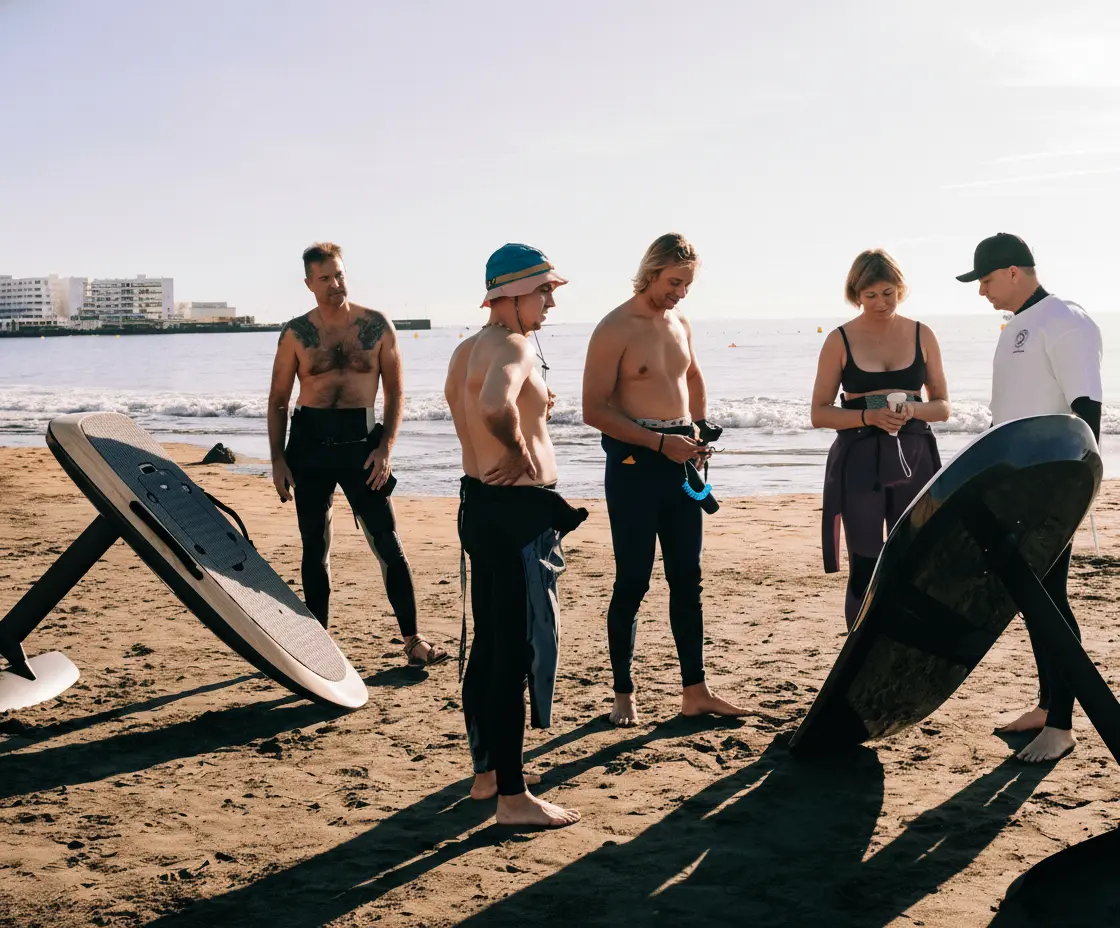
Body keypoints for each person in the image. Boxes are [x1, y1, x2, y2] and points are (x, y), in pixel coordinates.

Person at [444, 243, 586, 828]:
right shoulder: (514, 343)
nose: (550, 301)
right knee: (517, 652)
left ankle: (486, 776)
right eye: (543, 290)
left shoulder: (464, 348)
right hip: (516, 512)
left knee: (488, 645)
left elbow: (478, 400)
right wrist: (521, 446)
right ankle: (513, 797)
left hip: (479, 506)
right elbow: (494, 404)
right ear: (510, 295)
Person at [582, 233, 747, 728]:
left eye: (688, 284)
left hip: (680, 461)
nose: (681, 292)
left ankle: (695, 692)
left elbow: (691, 375)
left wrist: (698, 426)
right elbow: (594, 410)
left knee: (687, 580)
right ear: (651, 272)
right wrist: (657, 444)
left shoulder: (680, 321)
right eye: (675, 282)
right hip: (635, 467)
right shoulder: (614, 327)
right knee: (633, 580)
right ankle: (623, 693)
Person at [958, 233, 1103, 763]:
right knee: (1033, 598)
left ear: (1015, 271)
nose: (981, 292)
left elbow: (1086, 410)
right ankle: (1048, 706)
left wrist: (1074, 493)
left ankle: (1062, 726)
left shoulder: (1064, 319)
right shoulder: (1018, 325)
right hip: (1017, 485)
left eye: (986, 280)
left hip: (1053, 488)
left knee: (1051, 601)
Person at [267, 242, 447, 668]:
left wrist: (386, 447)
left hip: (362, 446)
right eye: (325, 278)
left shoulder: (376, 326)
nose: (335, 284)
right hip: (308, 446)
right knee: (315, 546)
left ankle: (414, 641)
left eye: (340, 274)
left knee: (386, 540)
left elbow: (396, 392)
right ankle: (320, 646)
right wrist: (277, 459)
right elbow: (278, 399)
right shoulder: (296, 333)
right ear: (309, 283)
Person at [811, 249, 950, 629]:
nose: (880, 303)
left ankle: (911, 638)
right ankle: (862, 637)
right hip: (859, 458)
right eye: (870, 295)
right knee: (866, 557)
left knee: (913, 552)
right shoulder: (839, 340)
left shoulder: (923, 334)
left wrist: (913, 411)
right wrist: (866, 416)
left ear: (900, 289)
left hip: (915, 453)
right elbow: (819, 413)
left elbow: (942, 406)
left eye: (888, 293)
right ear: (855, 293)